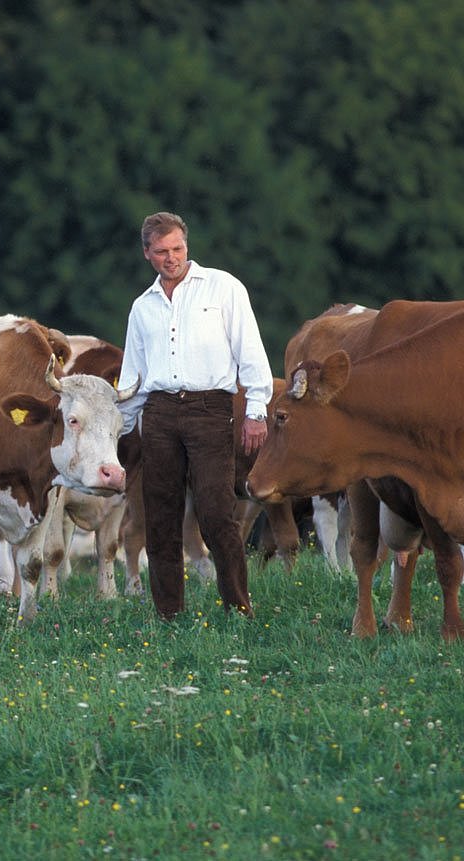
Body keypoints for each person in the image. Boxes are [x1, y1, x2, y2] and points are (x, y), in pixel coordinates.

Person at [118, 212, 274, 620]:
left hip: (210, 409)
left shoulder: (223, 288)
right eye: (162, 251)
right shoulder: (142, 308)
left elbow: (251, 353)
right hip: (159, 414)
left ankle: (238, 608)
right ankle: (169, 614)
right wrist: (118, 433)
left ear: (187, 246)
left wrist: (255, 411)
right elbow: (132, 379)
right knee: (160, 516)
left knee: (215, 512)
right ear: (147, 253)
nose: (171, 258)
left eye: (178, 249)